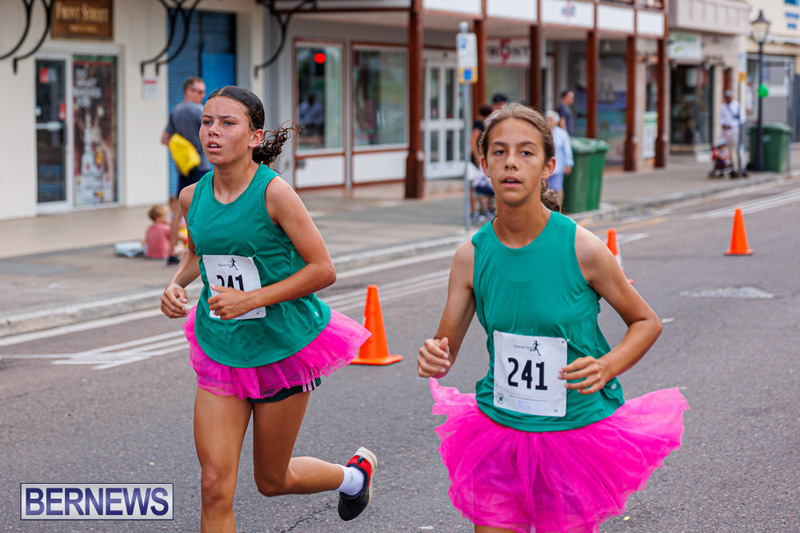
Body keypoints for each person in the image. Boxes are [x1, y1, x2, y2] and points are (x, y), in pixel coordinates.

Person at [417, 103, 688, 533]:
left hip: (575, 432)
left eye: (526, 152)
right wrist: (433, 355)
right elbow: (443, 351)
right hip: (499, 427)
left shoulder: (583, 248)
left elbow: (646, 321)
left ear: (548, 167)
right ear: (484, 164)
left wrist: (607, 366)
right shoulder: (471, 256)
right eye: (500, 151)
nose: (511, 162)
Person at [160, 86, 376, 531]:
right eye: (207, 122)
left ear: (254, 137)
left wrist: (251, 299)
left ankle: (353, 477)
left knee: (272, 480)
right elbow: (199, 252)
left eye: (227, 123)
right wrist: (175, 283)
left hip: (281, 346)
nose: (213, 132)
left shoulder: (275, 193)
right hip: (221, 346)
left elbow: (323, 269)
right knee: (213, 485)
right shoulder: (190, 197)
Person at [161, 77, 212, 265]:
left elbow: (165, 138)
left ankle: (171, 253)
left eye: (203, 91)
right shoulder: (200, 111)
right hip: (201, 166)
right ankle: (202, 251)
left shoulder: (175, 111)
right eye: (199, 91)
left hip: (184, 168)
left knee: (179, 210)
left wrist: (182, 150)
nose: (203, 95)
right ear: (188, 91)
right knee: (205, 208)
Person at [470, 104, 495, 221]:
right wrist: (477, 158)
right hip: (477, 160)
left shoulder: (485, 123)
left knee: (485, 185)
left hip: (482, 159)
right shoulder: (479, 124)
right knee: (475, 185)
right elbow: (472, 141)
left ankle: (486, 209)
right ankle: (475, 211)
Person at [545, 110, 573, 209]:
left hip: (558, 167)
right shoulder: (543, 133)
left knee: (558, 188)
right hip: (545, 167)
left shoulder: (562, 134)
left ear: (556, 121)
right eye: (547, 119)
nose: (549, 122)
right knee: (545, 189)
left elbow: (567, 150)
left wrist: (568, 163)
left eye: (551, 120)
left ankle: (558, 209)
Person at [720, 89, 746, 177]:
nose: (728, 98)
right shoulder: (723, 107)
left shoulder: (737, 105)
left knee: (738, 150)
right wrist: (724, 125)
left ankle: (742, 168)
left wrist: (732, 125)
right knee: (725, 151)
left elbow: (742, 118)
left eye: (729, 96)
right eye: (726, 97)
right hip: (726, 132)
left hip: (735, 131)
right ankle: (730, 168)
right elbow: (721, 119)